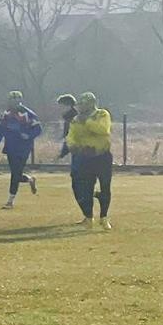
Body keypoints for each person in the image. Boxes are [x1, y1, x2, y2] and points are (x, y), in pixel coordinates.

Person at [61, 91, 114, 229]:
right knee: (86, 187)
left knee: (105, 186)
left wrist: (88, 122)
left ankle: (104, 217)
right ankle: (88, 217)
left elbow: (103, 130)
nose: (81, 107)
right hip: (85, 157)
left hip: (102, 156)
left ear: (91, 104)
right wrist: (72, 145)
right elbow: (70, 135)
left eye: (83, 104)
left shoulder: (102, 114)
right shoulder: (76, 119)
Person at [0, 91, 41, 208]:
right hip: (10, 146)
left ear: (20, 101)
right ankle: (29, 179)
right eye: (11, 100)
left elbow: (38, 129)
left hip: (23, 147)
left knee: (15, 173)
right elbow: (0, 128)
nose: (13, 103)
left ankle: (10, 201)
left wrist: (28, 135)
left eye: (16, 100)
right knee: (16, 173)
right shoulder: (6, 114)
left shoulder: (28, 114)